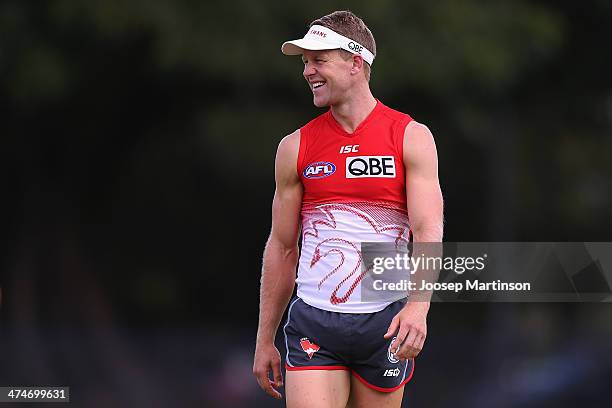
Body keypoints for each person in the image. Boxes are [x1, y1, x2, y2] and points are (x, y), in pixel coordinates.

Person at [253, 10, 443, 408]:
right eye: (305, 62)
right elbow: (283, 246)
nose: (307, 71)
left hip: (385, 322)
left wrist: (418, 308)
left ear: (356, 63)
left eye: (318, 60)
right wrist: (264, 337)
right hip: (314, 323)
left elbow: (427, 230)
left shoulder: (410, 137)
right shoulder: (295, 147)